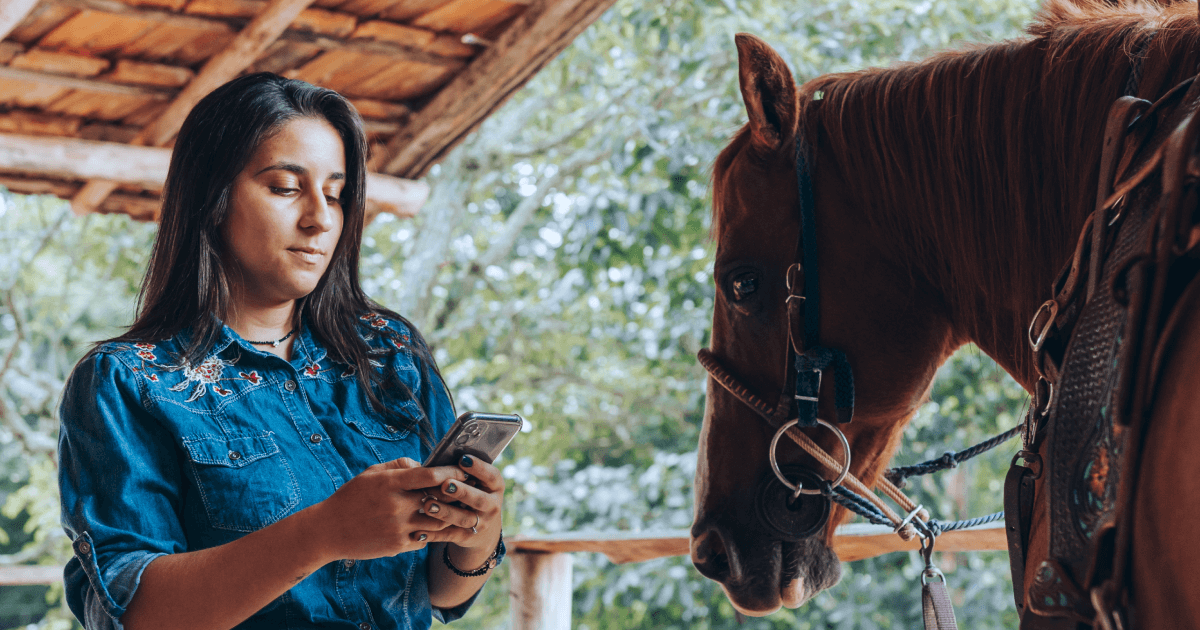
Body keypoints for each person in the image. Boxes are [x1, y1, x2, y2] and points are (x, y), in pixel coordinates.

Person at [56, 72, 505, 630]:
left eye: (336, 194)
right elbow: (130, 612)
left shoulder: (390, 352)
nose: (320, 218)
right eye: (286, 188)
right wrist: (324, 533)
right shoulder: (126, 382)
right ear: (212, 200)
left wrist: (475, 531)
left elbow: (441, 596)